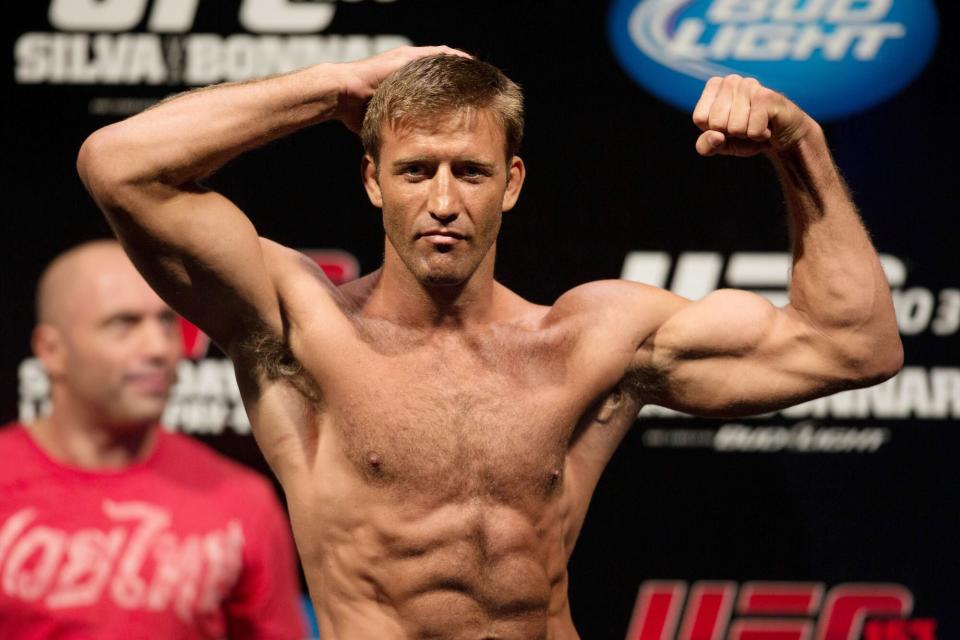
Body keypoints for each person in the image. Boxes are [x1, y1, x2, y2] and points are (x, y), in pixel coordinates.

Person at [75, 47, 903, 639]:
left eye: (469, 171)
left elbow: (853, 346)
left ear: (510, 184)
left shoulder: (591, 340)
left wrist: (802, 148)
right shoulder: (300, 328)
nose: (442, 199)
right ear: (372, 181)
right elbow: (119, 165)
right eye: (414, 170)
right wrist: (335, 85)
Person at [0, 240, 306, 639]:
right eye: (124, 324)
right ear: (52, 350)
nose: (160, 348)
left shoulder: (241, 501)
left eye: (166, 322)